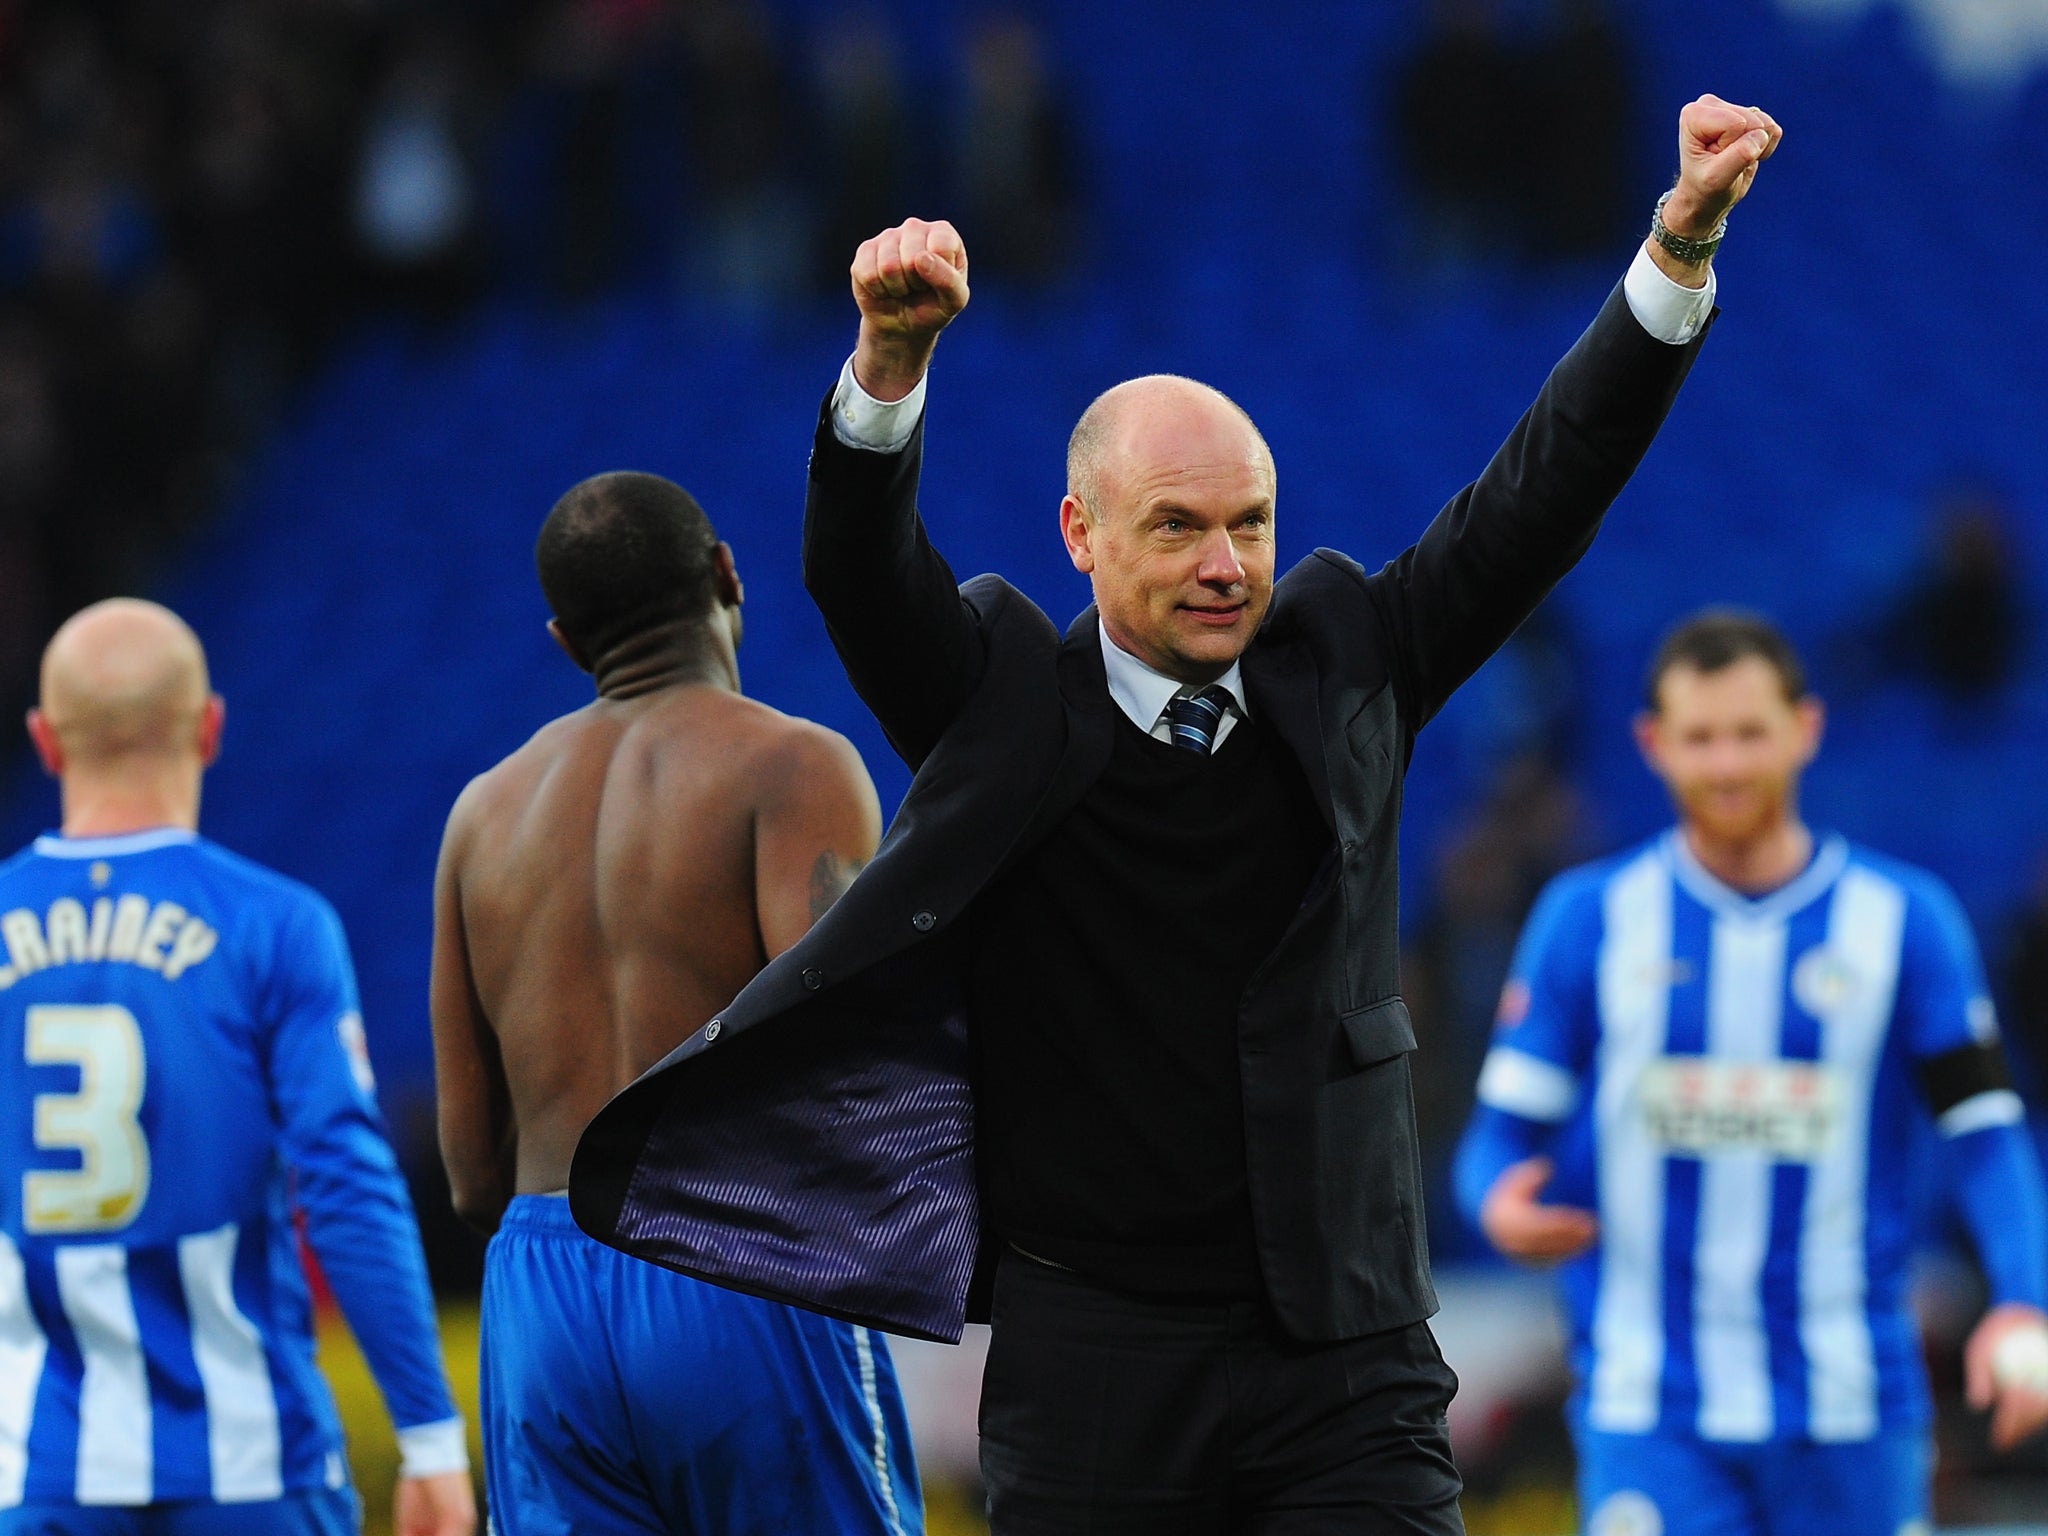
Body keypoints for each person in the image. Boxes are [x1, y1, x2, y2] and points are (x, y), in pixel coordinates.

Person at [572, 95, 1781, 1534]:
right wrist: (889, 365)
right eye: (1178, 527)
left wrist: (1679, 251)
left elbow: (1541, 490)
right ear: (1082, 535)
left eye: (1250, 523)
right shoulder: (1000, 700)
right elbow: (856, 572)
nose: (1227, 564)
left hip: (1346, 1349)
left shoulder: (1347, 655)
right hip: (1095, 1367)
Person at [1454, 609, 2048, 1536]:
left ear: (1805, 729)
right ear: (1653, 744)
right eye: (1701, 738)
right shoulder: (1590, 919)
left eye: (1748, 734)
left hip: (1852, 1411)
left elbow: (1988, 1139)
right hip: (1650, 1411)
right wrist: (1498, 1205)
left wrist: (2024, 1303)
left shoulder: (1904, 922)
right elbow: (1496, 1140)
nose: (1726, 764)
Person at [430, 472, 920, 1536]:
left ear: (565, 640)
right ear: (725, 574)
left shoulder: (479, 819)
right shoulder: (791, 767)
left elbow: (469, 1170)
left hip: (541, 1298)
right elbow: (852, 1091)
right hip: (733, 1254)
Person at [0, 600, 474, 1536]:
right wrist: (427, 1440)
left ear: (46, 742)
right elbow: (347, 1188)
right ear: (211, 726)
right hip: (250, 1465)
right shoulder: (277, 926)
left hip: (37, 1470)